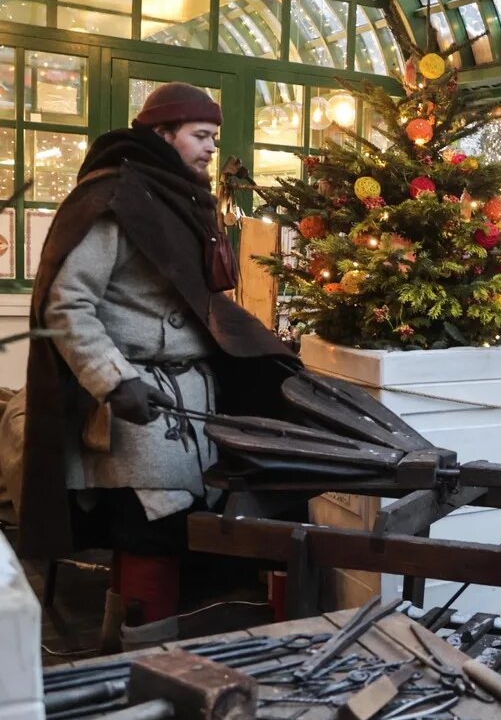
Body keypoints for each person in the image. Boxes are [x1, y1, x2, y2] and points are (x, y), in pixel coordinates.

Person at [13, 82, 297, 647]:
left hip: (190, 401)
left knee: (153, 535)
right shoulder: (115, 198)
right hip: (143, 405)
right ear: (162, 135)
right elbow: (67, 303)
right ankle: (149, 665)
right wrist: (113, 379)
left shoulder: (176, 198)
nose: (212, 148)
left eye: (214, 137)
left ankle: (122, 653)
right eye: (200, 136)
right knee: (151, 529)